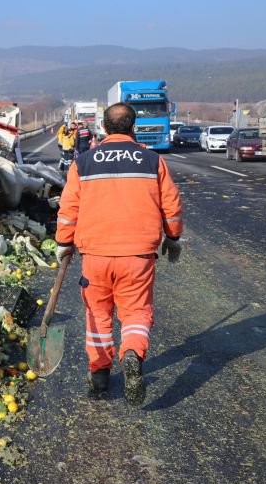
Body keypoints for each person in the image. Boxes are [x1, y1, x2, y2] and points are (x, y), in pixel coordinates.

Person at [55, 103, 183, 405]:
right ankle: (131, 353)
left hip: (95, 256)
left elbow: (68, 208)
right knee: (136, 312)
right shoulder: (152, 161)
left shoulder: (84, 162)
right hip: (138, 255)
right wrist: (173, 237)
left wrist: (64, 242)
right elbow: (171, 204)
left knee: (98, 315)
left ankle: (99, 378)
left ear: (103, 127)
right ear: (133, 127)